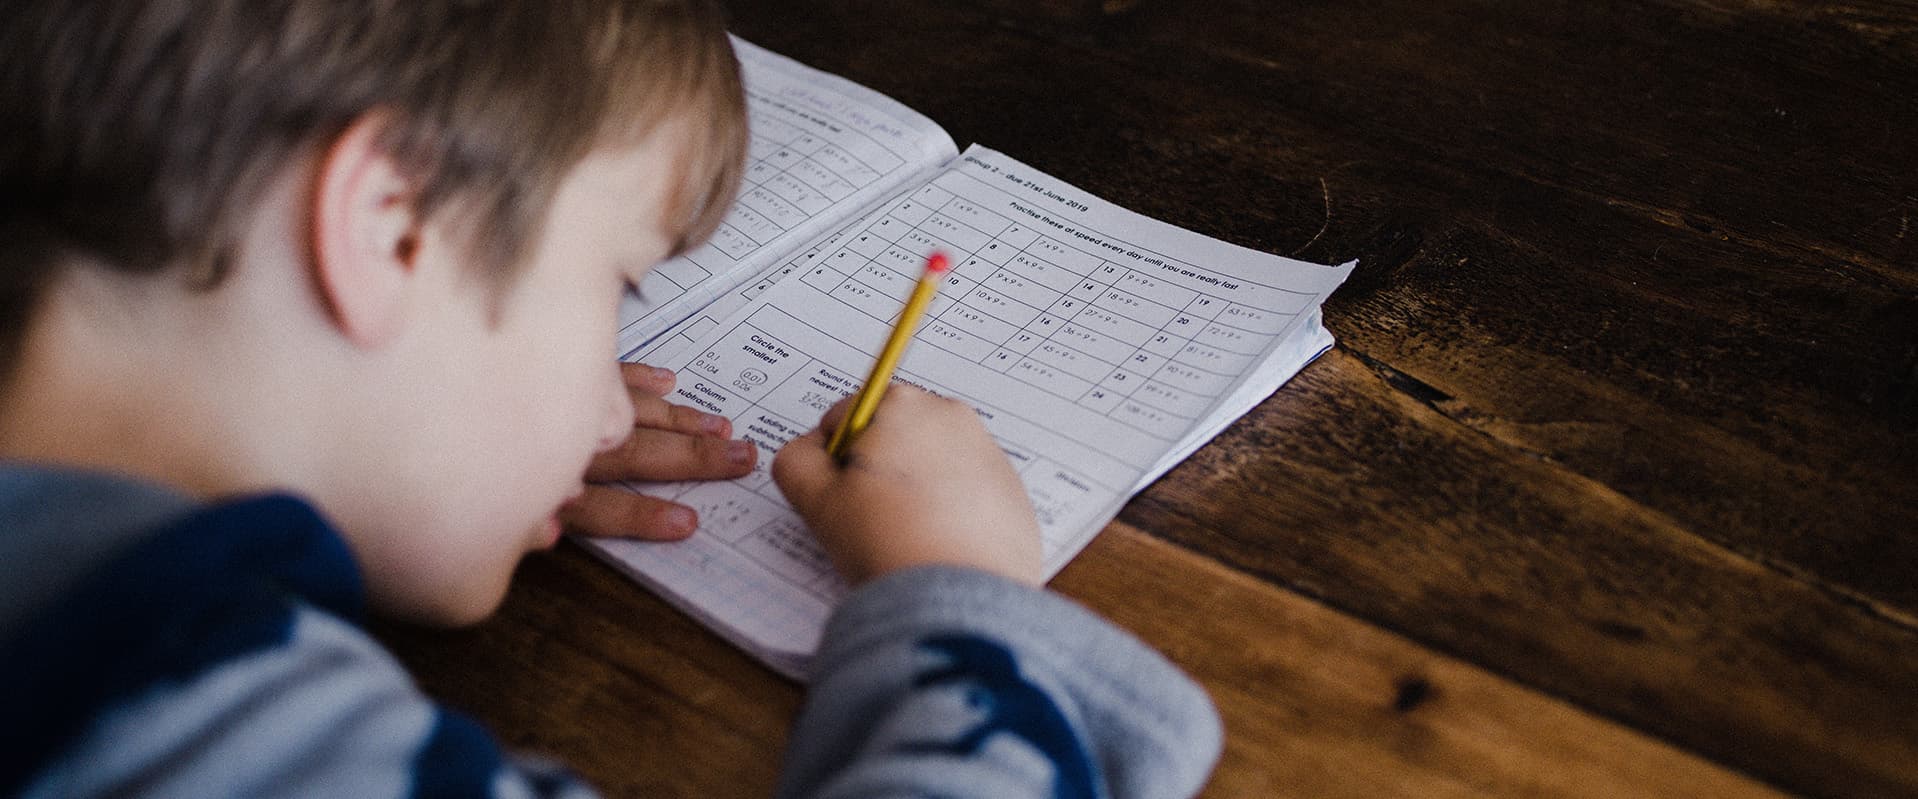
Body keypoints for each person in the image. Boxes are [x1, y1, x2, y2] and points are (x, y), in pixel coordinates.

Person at [0, 1, 1222, 797]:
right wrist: (959, 598)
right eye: (617, 285)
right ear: (395, 230)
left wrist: (418, 458)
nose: (605, 409)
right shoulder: (170, 709)